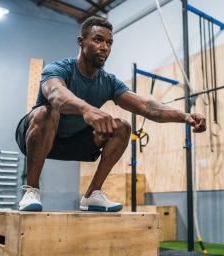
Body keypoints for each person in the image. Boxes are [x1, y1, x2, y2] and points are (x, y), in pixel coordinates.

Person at [15, 16, 206, 212]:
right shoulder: (59, 69)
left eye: (109, 43)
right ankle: (31, 190)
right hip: (37, 136)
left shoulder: (108, 82)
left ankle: (92, 196)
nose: (105, 47)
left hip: (73, 142)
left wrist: (184, 116)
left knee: (122, 127)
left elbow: (147, 106)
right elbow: (56, 95)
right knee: (46, 112)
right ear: (81, 42)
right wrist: (87, 109)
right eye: (98, 40)